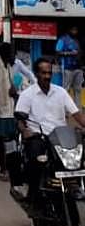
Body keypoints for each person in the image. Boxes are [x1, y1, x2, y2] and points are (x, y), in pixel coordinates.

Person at [14, 55, 85, 208]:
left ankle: (77, 186)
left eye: (49, 73)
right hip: (39, 137)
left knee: (80, 158)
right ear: (36, 74)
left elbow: (76, 114)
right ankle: (32, 194)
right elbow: (20, 120)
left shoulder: (61, 92)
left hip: (60, 138)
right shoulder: (28, 94)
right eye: (43, 73)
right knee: (36, 160)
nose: (47, 76)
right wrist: (25, 131)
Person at [0, 42, 21, 178]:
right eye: (11, 53)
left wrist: (15, 90)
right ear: (6, 54)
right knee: (0, 141)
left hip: (10, 109)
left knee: (11, 140)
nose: (13, 56)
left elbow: (14, 84)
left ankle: (11, 167)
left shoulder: (9, 67)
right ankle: (3, 167)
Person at [55, 24, 80, 90]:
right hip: (67, 67)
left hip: (77, 68)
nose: (75, 32)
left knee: (77, 89)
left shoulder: (76, 41)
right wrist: (70, 53)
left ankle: (76, 101)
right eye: (73, 30)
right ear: (69, 30)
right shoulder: (63, 39)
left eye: (76, 30)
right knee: (66, 88)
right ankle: (64, 100)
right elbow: (57, 51)